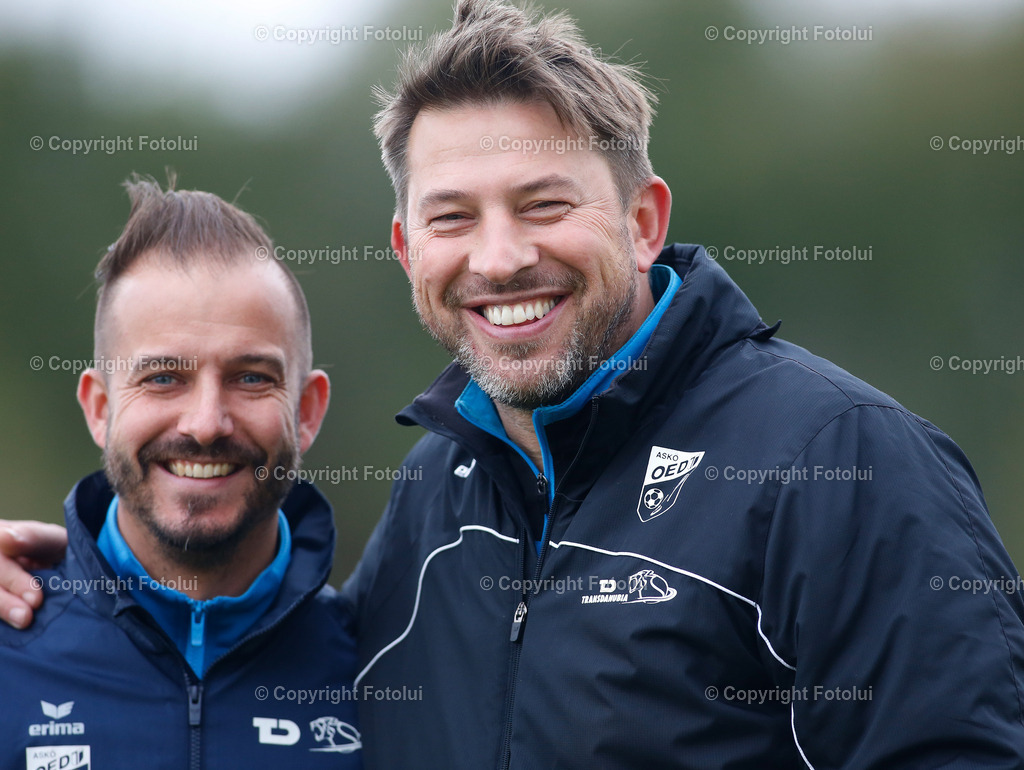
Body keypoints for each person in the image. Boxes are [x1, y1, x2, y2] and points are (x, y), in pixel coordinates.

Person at [4, 1, 1024, 767]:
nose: (497, 259)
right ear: (408, 248)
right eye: (454, 217)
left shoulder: (840, 462)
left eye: (542, 203)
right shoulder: (435, 492)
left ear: (642, 219)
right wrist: (77, 582)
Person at [0, 177, 362, 767]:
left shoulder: (383, 664)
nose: (205, 423)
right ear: (100, 408)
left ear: (306, 411)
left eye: (251, 378)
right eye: (163, 377)